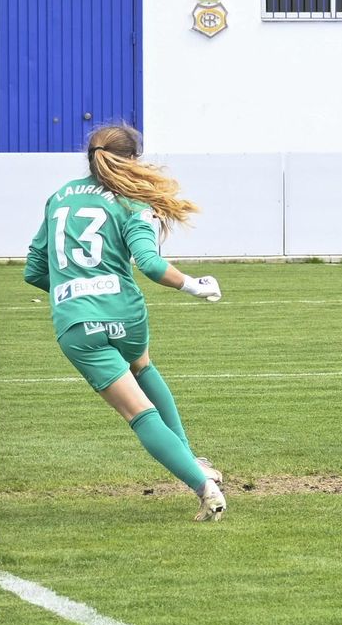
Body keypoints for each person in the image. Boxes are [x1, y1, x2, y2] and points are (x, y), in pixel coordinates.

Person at [23, 123, 229, 521]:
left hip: (77, 324)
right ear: (131, 160)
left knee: (137, 412)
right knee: (142, 366)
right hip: (125, 313)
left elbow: (34, 270)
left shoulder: (58, 197)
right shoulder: (132, 203)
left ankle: (205, 487)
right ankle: (196, 467)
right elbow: (149, 265)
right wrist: (194, 285)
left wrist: (75, 289)